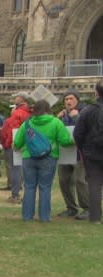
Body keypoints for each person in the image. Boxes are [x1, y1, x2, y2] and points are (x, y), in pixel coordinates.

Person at [13, 100, 74, 222]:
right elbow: (65, 141)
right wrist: (74, 141)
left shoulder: (27, 123)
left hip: (28, 158)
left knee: (29, 187)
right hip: (49, 157)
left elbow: (17, 143)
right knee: (45, 187)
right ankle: (44, 217)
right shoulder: (56, 122)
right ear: (48, 109)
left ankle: (27, 216)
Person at [73, 79, 103, 224]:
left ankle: (95, 217)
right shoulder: (89, 110)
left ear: (96, 93)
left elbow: (78, 133)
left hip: (92, 152)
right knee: (94, 183)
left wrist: (82, 148)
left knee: (94, 184)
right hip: (92, 150)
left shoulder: (88, 110)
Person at [56, 89, 89, 220]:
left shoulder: (84, 113)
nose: (68, 101)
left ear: (77, 100)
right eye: (66, 99)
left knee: (80, 180)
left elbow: (88, 129)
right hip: (65, 153)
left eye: (71, 99)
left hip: (80, 154)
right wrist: (57, 119)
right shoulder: (63, 116)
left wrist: (77, 117)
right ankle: (71, 208)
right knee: (64, 180)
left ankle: (87, 208)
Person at [0, 91, 32, 203]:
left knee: (16, 169)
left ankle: (15, 194)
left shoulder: (18, 113)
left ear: (22, 99)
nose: (15, 99)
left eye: (17, 97)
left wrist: (8, 143)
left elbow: (13, 130)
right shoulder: (27, 111)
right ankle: (18, 192)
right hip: (24, 143)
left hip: (14, 144)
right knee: (21, 168)